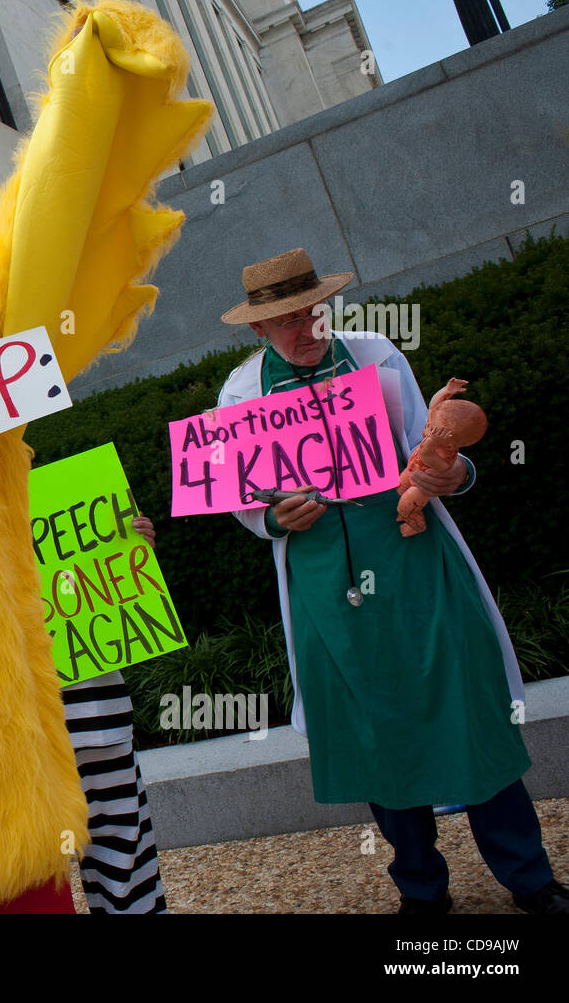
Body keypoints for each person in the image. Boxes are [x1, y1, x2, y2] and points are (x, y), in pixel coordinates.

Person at [216, 248, 567, 914]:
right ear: (257, 329)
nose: (304, 327)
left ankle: (530, 877)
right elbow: (241, 500)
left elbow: (432, 450)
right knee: (371, 733)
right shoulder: (239, 394)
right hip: (324, 583)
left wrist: (453, 475)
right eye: (284, 319)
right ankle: (421, 889)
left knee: (470, 708)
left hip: (415, 561)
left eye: (310, 309)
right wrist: (272, 515)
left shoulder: (378, 355)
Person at [65, 514, 168, 914]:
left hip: (92, 705)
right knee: (20, 871)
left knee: (122, 851)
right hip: (11, 724)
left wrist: (127, 552)